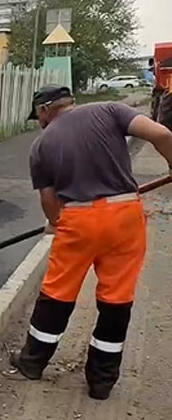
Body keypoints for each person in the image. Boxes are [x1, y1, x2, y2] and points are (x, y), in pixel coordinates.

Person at [11, 85, 172, 400]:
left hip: (79, 220)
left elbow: (49, 200)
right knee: (117, 299)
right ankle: (101, 381)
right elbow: (162, 134)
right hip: (125, 215)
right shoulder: (110, 110)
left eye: (38, 117)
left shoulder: (41, 145)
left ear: (44, 110)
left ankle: (32, 362)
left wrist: (55, 221)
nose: (40, 123)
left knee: (57, 293)